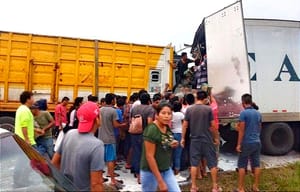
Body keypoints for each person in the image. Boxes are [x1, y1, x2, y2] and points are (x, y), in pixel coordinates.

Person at [51, 101, 104, 192]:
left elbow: (54, 163)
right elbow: (96, 183)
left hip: (63, 188)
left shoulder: (70, 134)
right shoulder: (97, 145)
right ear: (97, 119)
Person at [181, 90, 221, 192]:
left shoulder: (189, 109)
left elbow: (185, 125)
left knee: (194, 163)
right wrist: (216, 138)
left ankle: (193, 186)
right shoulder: (208, 109)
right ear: (205, 99)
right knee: (212, 163)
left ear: (196, 98)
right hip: (207, 139)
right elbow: (213, 125)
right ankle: (215, 186)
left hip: (194, 140)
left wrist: (183, 138)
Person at [140, 102, 181, 192]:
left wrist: (171, 143)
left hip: (166, 168)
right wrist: (160, 181)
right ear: (157, 115)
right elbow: (149, 156)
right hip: (150, 172)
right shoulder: (151, 130)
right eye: (163, 113)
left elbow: (163, 141)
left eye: (169, 114)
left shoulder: (166, 127)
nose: (166, 116)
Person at [98, 93, 127, 189]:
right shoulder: (113, 111)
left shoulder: (100, 109)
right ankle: (112, 180)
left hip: (100, 137)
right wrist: (123, 125)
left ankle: (100, 177)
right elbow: (115, 125)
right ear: (112, 101)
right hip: (110, 138)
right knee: (110, 159)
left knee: (101, 159)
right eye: (114, 99)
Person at [235, 94, 262, 192]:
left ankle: (241, 188)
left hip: (246, 142)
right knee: (256, 164)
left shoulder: (243, 113)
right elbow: (259, 127)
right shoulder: (258, 113)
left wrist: (238, 144)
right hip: (257, 142)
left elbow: (241, 130)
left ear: (243, 103)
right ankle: (255, 186)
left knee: (242, 165)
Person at [130, 92, 154, 184]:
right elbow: (150, 123)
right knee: (145, 155)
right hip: (145, 134)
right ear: (149, 100)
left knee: (136, 153)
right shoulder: (150, 109)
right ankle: (143, 176)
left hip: (134, 133)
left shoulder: (135, 108)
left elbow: (131, 120)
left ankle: (137, 174)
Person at [171, 101, 184, 176]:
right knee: (178, 154)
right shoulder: (181, 115)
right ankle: (177, 170)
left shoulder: (171, 114)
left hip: (172, 133)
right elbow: (184, 124)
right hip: (179, 133)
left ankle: (171, 168)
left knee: (171, 153)